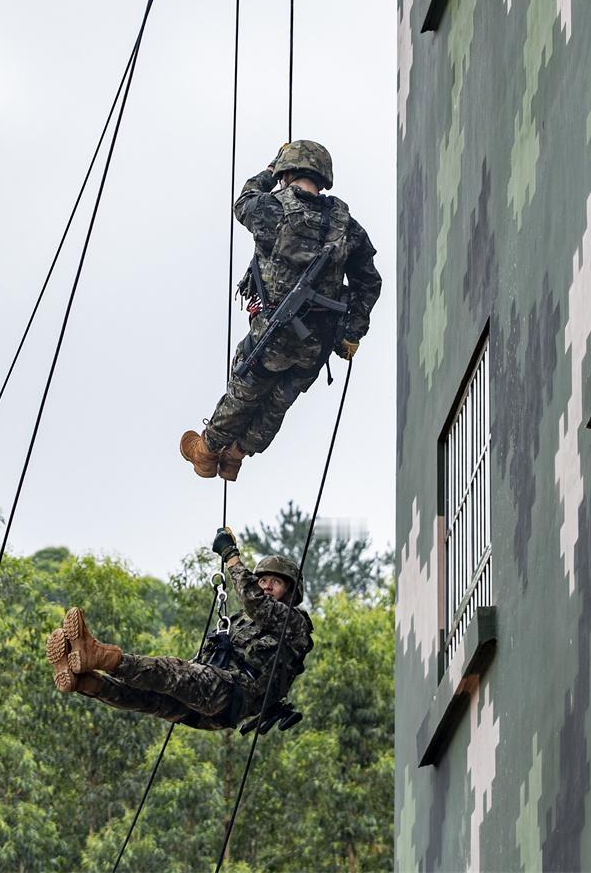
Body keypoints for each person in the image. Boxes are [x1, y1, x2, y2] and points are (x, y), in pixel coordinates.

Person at [180, 141, 381, 481]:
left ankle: (208, 450)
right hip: (317, 342)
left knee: (246, 388)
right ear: (323, 177)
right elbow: (369, 283)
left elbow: (243, 200)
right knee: (279, 401)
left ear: (288, 173)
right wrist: (351, 333)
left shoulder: (271, 208)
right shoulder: (347, 225)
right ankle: (236, 456)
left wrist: (271, 167)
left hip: (274, 332)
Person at [45, 528, 313, 731]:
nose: (266, 585)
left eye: (275, 582)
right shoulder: (240, 620)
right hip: (210, 705)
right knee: (146, 696)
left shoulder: (294, 624)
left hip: (233, 693)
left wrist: (231, 557)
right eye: (262, 579)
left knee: (167, 670)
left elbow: (258, 605)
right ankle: (83, 680)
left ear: (290, 592)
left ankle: (97, 655)